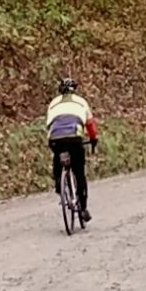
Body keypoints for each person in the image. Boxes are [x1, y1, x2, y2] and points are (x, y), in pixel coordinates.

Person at [45, 78, 99, 221]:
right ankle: (83, 208)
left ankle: (58, 182)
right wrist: (93, 139)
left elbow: (49, 124)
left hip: (55, 137)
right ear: (74, 90)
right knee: (79, 172)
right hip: (74, 137)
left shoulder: (53, 103)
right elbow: (90, 124)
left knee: (58, 155)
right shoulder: (81, 102)